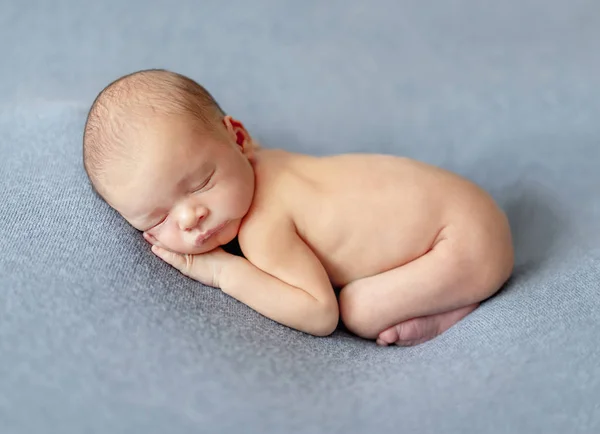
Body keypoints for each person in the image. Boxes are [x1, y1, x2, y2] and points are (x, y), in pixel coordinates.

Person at [82, 69, 514, 346]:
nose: (188, 218)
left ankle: (452, 310)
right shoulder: (265, 162)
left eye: (201, 183)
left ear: (238, 138)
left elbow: (319, 313)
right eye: (156, 219)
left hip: (465, 245)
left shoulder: (263, 229)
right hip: (467, 204)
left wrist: (223, 272)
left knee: (358, 311)